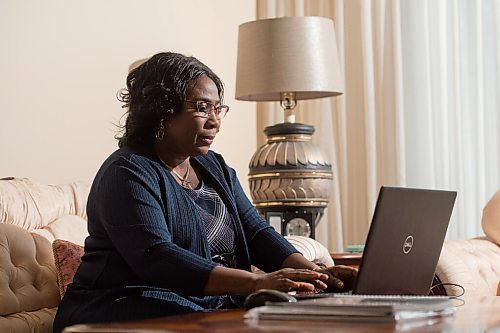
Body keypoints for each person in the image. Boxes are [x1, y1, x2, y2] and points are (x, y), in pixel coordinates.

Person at [53, 52, 357, 332]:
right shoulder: (127, 172)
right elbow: (156, 257)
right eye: (201, 108)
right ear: (162, 112)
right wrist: (257, 282)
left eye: (217, 108)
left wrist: (319, 277)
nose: (215, 121)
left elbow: (255, 232)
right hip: (122, 306)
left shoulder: (214, 166)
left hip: (207, 304)